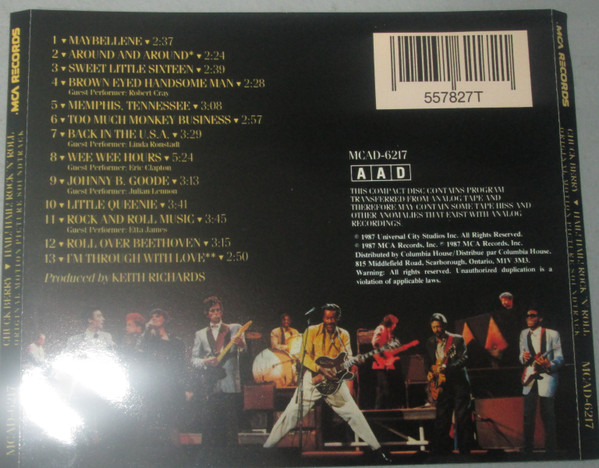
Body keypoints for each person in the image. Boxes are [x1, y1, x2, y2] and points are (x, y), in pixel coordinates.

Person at [263, 304, 391, 463]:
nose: (330, 321)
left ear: (338, 318)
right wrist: (319, 369)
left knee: (354, 414)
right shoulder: (311, 331)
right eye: (327, 318)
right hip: (313, 380)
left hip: (334, 382)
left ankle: (377, 451)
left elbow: (347, 357)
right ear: (323, 318)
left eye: (333, 318)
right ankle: (266, 450)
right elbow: (304, 356)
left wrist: (353, 363)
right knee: (291, 413)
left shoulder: (343, 334)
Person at [191, 296, 247, 448]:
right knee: (210, 426)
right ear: (207, 314)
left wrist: (241, 345)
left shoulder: (234, 328)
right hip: (211, 384)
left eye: (218, 310)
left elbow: (244, 353)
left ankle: (232, 457)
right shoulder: (200, 334)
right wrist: (205, 362)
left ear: (222, 312)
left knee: (230, 426)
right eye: (212, 311)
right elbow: (193, 360)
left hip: (229, 383)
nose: (216, 313)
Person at [424, 313, 473, 455]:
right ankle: (443, 450)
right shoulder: (430, 342)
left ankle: (465, 450)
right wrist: (428, 372)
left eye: (439, 326)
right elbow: (427, 361)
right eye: (434, 327)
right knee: (442, 417)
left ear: (444, 326)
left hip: (458, 384)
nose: (436, 330)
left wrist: (448, 367)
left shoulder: (457, 340)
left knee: (462, 417)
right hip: (441, 385)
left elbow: (464, 359)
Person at [519, 308, 563, 453]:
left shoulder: (552, 334)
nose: (529, 318)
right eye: (527, 316)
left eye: (532, 316)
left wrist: (549, 364)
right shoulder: (523, 334)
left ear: (540, 318)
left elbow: (560, 358)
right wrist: (523, 357)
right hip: (530, 377)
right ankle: (527, 447)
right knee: (528, 414)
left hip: (547, 377)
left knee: (548, 414)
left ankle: (551, 448)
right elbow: (521, 355)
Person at [371, 314, 404, 408]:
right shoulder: (381, 329)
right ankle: (380, 410)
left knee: (386, 386)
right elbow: (375, 342)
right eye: (395, 324)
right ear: (392, 323)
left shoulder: (387, 331)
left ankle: (386, 408)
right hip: (381, 362)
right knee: (383, 386)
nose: (395, 326)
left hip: (385, 362)